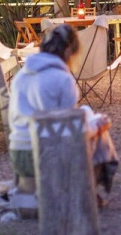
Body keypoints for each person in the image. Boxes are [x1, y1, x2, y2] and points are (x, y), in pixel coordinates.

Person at [8, 24, 81, 191]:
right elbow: (68, 129)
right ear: (68, 51)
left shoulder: (21, 74)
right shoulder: (63, 79)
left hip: (18, 155)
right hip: (44, 157)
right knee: (97, 143)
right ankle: (80, 193)